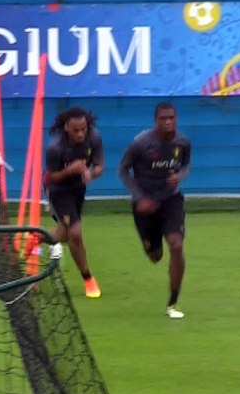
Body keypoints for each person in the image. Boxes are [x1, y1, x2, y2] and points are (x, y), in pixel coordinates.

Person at [118, 102, 191, 319]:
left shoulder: (183, 142)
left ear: (176, 119)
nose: (168, 122)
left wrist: (179, 176)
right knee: (155, 256)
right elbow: (123, 170)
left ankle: (173, 301)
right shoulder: (142, 143)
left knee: (176, 245)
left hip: (170, 199)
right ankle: (151, 245)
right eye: (163, 118)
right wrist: (139, 197)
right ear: (155, 120)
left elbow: (186, 165)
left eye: (171, 118)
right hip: (145, 205)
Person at [44, 106, 105, 298]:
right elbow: (48, 178)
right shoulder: (56, 148)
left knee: (64, 233)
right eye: (76, 130)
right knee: (75, 234)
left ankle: (36, 237)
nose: (80, 134)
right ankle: (88, 279)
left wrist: (91, 173)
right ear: (66, 128)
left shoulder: (94, 138)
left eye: (83, 129)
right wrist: (69, 171)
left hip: (78, 190)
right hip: (58, 191)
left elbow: (99, 166)